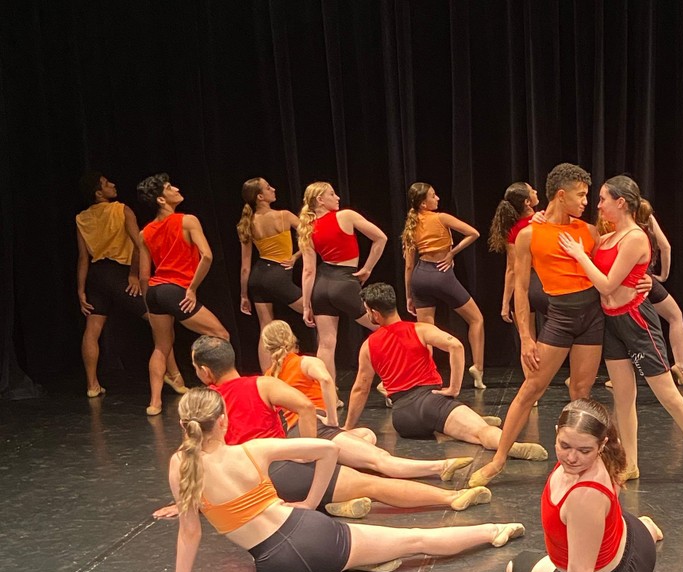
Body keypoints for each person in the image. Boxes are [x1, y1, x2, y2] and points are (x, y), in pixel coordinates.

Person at [135, 387, 524, 572]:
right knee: (415, 539)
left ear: (184, 425)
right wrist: (309, 503)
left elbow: (190, 533)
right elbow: (328, 449)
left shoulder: (179, 466)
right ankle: (493, 530)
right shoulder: (253, 450)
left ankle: (361, 563)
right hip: (314, 533)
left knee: (360, 557)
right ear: (223, 421)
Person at [558, 175, 683, 483]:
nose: (598, 205)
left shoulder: (635, 238)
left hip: (636, 320)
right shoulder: (608, 236)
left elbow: (606, 284)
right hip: (611, 322)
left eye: (602, 199)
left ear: (621, 202)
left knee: (669, 395)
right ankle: (630, 463)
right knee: (623, 397)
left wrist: (579, 256)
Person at [191, 336, 491, 515]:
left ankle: (336, 504)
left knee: (361, 468)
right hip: (282, 466)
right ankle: (450, 497)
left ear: (205, 371)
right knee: (372, 480)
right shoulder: (263, 383)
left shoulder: (202, 403)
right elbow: (306, 406)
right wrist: (307, 450)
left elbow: (194, 454)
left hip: (247, 483)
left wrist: (190, 499)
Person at [469, 163, 604, 487]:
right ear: (561, 195)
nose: (585, 201)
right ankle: (499, 459)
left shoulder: (590, 231)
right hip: (559, 317)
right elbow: (520, 288)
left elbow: (612, 266)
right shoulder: (530, 234)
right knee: (531, 388)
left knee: (580, 391)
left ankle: (578, 461)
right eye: (581, 195)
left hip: (592, 316)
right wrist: (526, 337)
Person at [506, 399, 664, 572]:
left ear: (601, 445)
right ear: (556, 432)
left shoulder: (584, 497)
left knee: (516, 568)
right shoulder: (601, 456)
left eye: (584, 450)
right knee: (597, 525)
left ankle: (647, 531)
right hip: (635, 538)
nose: (571, 457)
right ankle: (648, 528)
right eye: (564, 445)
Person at [344, 283, 548, 462]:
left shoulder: (368, 346)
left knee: (452, 424)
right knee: (480, 432)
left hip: (403, 419)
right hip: (431, 403)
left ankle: (456, 425)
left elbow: (360, 389)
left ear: (375, 313)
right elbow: (455, 346)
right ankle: (509, 445)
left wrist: (348, 428)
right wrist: (454, 388)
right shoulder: (419, 329)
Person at [260, 319, 477, 481]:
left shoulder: (268, 376)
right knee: (380, 458)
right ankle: (439, 467)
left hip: (296, 435)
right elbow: (326, 380)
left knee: (366, 434)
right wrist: (333, 420)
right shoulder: (305, 362)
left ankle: (342, 465)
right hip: (317, 427)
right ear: (292, 339)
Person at [75, 172, 187, 400]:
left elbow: (83, 258)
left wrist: (81, 289)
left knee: (92, 329)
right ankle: (173, 373)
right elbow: (140, 244)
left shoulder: (81, 218)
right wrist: (134, 275)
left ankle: (92, 385)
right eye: (106, 183)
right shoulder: (121, 209)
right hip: (119, 273)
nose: (113, 184)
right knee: (159, 320)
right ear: (98, 193)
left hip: (97, 275)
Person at [135, 173, 230, 416]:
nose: (176, 189)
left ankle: (154, 403)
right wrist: (192, 288)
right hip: (175, 289)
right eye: (169, 187)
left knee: (161, 346)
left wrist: (148, 304)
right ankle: (224, 390)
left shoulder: (145, 232)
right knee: (221, 334)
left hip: (155, 291)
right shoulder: (187, 220)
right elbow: (207, 256)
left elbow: (144, 276)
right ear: (160, 199)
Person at [297, 181, 384, 386]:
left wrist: (306, 305)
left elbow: (308, 271)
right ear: (320, 200)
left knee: (326, 344)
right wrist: (368, 268)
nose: (337, 198)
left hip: (321, 287)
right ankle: (392, 382)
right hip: (344, 283)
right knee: (385, 329)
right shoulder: (345, 215)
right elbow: (381, 238)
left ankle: (328, 396)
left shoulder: (306, 229)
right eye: (332, 194)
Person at [401, 182, 486, 389]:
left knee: (426, 332)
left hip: (420, 277)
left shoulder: (411, 225)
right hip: (441, 275)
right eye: (433, 196)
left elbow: (409, 266)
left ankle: (424, 376)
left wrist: (409, 295)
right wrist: (451, 253)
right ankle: (478, 368)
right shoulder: (441, 218)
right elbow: (474, 233)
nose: (437, 198)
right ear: (423, 203)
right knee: (476, 319)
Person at [597, 200, 683, 386]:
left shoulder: (611, 220)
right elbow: (665, 246)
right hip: (637, 280)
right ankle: (679, 366)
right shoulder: (640, 215)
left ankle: (621, 373)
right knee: (674, 316)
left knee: (630, 325)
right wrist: (662, 275)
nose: (600, 204)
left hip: (627, 284)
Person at [236, 177, 304, 373]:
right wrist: (295, 256)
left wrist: (243, 295)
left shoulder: (247, 223)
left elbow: (245, 267)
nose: (273, 189)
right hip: (277, 276)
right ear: (260, 197)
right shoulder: (284, 216)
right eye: (268, 187)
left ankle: (267, 378)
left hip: (257, 277)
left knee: (265, 328)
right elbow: (312, 237)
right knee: (317, 313)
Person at [488, 182, 548, 368]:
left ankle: (532, 383)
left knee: (527, 342)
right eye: (532, 191)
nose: (536, 191)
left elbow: (511, 269)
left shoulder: (512, 229)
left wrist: (506, 302)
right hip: (542, 284)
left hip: (522, 290)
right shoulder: (543, 221)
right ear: (527, 202)